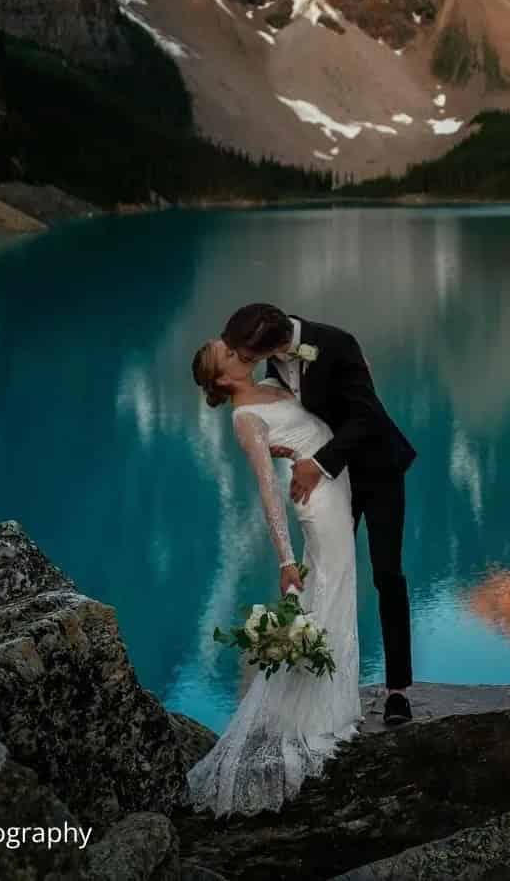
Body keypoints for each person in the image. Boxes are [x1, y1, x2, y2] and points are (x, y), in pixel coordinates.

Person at [188, 338, 361, 816]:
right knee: (331, 583)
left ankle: (332, 703)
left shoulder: (268, 381)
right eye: (223, 351)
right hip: (315, 500)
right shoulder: (245, 419)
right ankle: (320, 713)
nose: (231, 347)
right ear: (223, 377)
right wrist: (286, 562)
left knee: (340, 584)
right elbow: (268, 495)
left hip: (331, 478)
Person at [222, 302, 415, 727]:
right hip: (331, 483)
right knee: (324, 571)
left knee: (386, 573)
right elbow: (293, 405)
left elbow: (366, 417)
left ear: (271, 343)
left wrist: (317, 463)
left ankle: (398, 690)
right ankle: (320, 686)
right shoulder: (272, 357)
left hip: (376, 470)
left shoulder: (337, 343)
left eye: (246, 355)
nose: (242, 362)